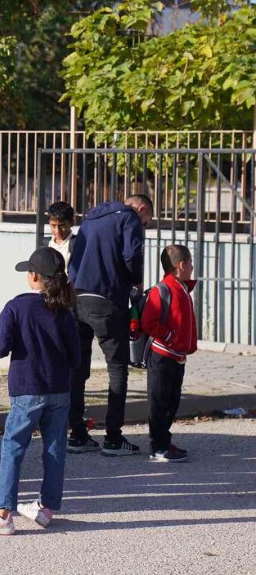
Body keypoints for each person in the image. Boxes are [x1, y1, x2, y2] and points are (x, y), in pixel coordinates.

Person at [0, 247, 81, 535]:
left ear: (33, 276)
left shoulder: (17, 306)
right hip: (59, 389)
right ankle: (47, 508)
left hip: (27, 389)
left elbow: (0, 348)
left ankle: (3, 513)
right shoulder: (65, 311)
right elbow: (76, 358)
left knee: (13, 449)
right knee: (54, 450)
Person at [67, 194, 153, 456]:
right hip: (106, 300)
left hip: (77, 297)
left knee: (78, 369)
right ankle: (114, 438)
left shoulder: (91, 217)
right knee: (117, 369)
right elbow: (131, 256)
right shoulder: (129, 218)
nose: (144, 226)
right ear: (140, 209)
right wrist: (135, 283)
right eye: (146, 221)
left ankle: (77, 435)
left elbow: (75, 257)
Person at [142, 245, 197, 463]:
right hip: (162, 356)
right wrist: (171, 335)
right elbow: (149, 322)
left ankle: (164, 440)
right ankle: (159, 447)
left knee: (171, 402)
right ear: (181, 265)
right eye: (190, 262)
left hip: (177, 356)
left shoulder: (182, 288)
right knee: (159, 403)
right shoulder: (163, 289)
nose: (192, 267)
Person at [46, 201, 76, 269]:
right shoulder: (46, 244)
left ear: (71, 223)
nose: (57, 231)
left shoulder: (76, 245)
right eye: (53, 226)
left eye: (62, 226)